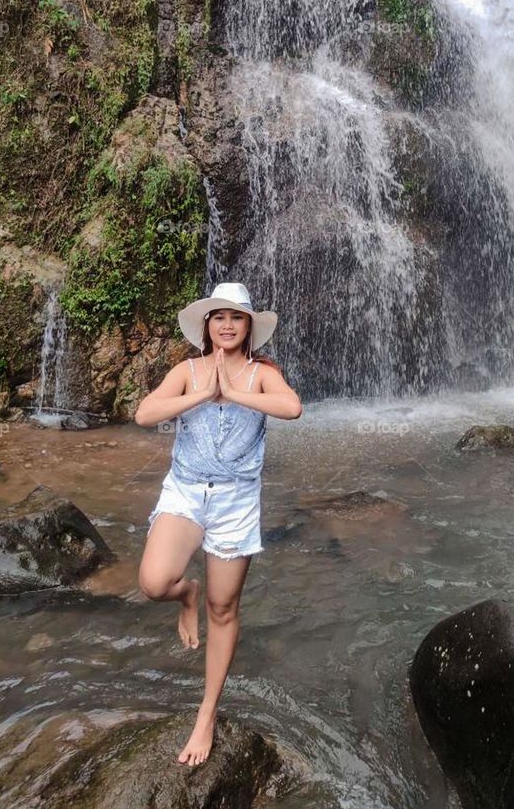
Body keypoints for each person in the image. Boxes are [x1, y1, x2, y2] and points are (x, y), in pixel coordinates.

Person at [134, 281, 302, 766]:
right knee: (153, 581)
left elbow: (292, 408)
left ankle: (206, 714)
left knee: (223, 608)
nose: (227, 325)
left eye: (236, 318)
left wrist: (234, 393)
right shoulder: (186, 371)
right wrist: (202, 394)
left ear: (249, 326)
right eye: (218, 317)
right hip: (186, 491)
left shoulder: (263, 373)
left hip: (236, 501)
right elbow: (145, 413)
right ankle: (185, 595)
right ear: (206, 326)